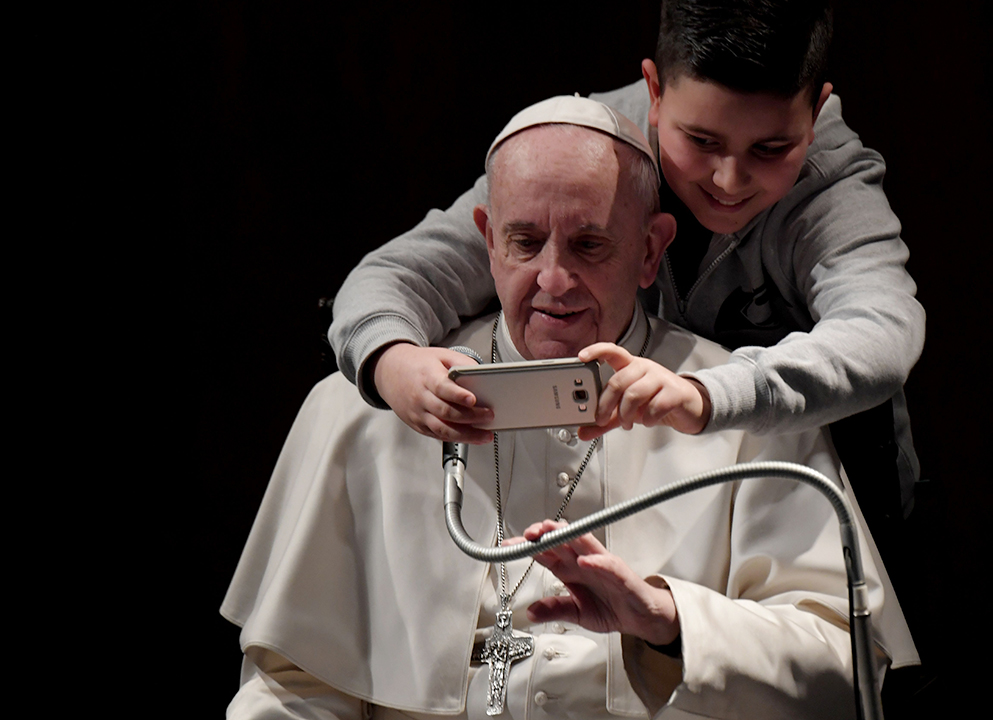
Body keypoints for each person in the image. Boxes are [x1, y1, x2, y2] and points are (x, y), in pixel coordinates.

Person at [223, 96, 917, 719]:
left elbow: (845, 676)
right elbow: (290, 688)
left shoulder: (740, 414)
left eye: (589, 244)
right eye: (525, 243)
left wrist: (669, 621)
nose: (553, 280)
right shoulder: (363, 411)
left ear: (650, 252)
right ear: (487, 239)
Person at [328, 0, 925, 565]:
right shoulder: (580, 147)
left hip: (829, 507)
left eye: (771, 148)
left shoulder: (829, 184)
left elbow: (882, 332)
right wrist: (390, 361)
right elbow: (396, 275)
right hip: (649, 505)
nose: (729, 179)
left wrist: (706, 392)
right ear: (655, 91)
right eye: (701, 141)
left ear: (816, 110)